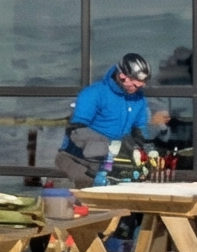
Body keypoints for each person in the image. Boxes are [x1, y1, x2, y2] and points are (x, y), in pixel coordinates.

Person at [55, 52, 167, 187]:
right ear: (122, 76)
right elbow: (77, 130)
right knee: (90, 202)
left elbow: (139, 130)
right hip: (78, 160)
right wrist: (107, 148)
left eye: (142, 84)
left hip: (110, 162)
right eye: (136, 84)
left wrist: (148, 149)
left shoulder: (138, 99)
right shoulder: (94, 93)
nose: (139, 88)